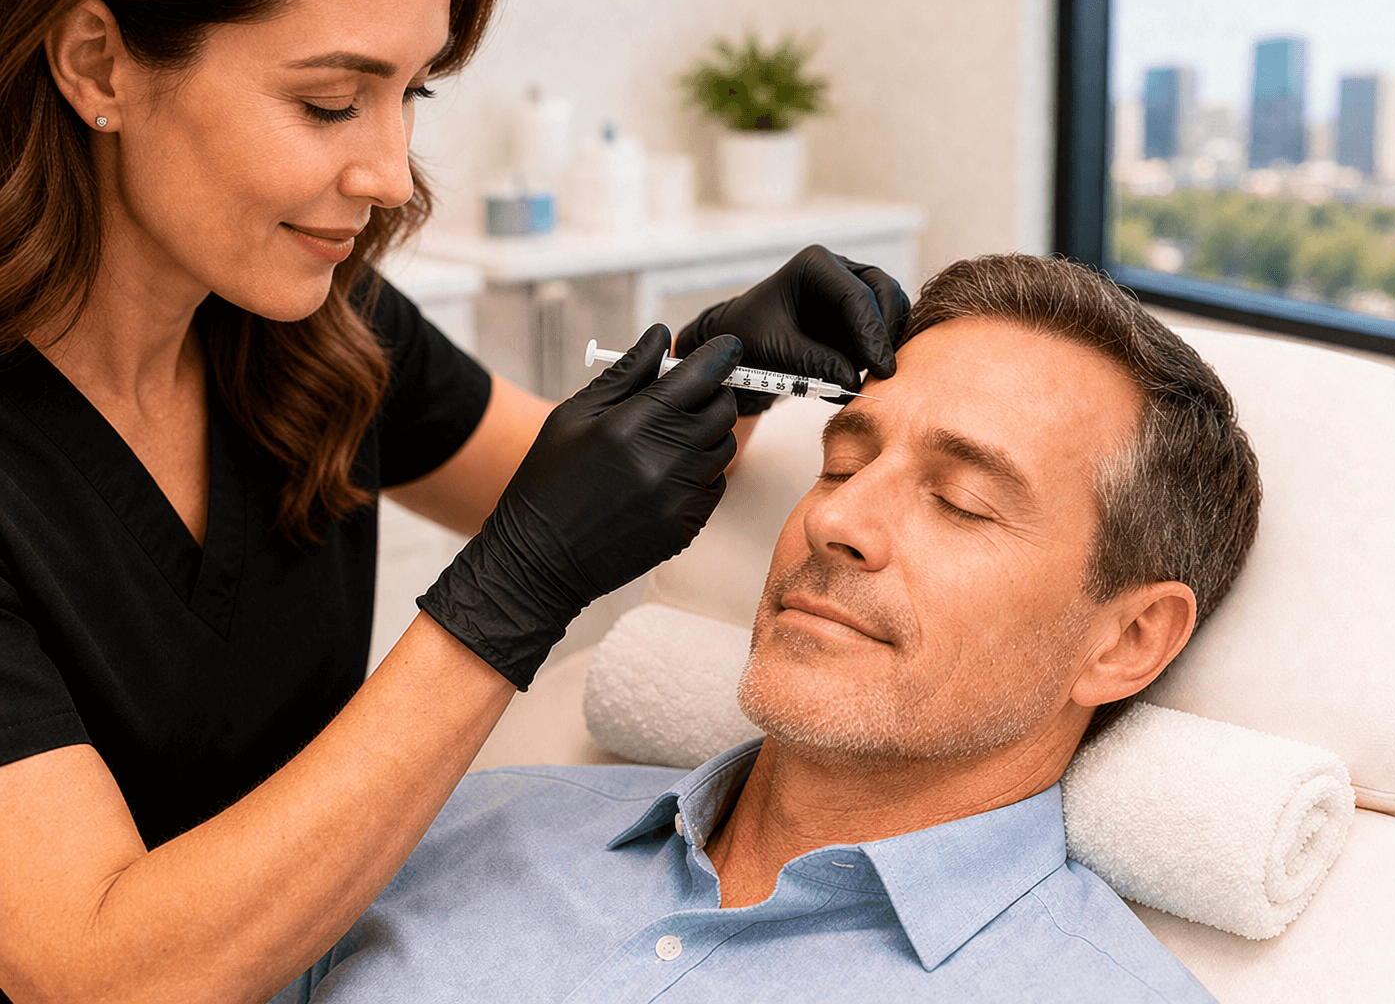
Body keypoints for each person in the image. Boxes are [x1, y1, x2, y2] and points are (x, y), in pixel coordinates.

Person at [0, 0, 908, 1000]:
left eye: (413, 96)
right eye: (331, 102)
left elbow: (573, 486)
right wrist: (509, 592)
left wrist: (719, 374)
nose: (390, 176)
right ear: (95, 63)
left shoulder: (315, 331)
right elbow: (93, 972)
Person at [279, 253, 1263, 1002]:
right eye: (838, 464)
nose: (833, 519)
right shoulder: (459, 828)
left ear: (1127, 639)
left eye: (959, 500)